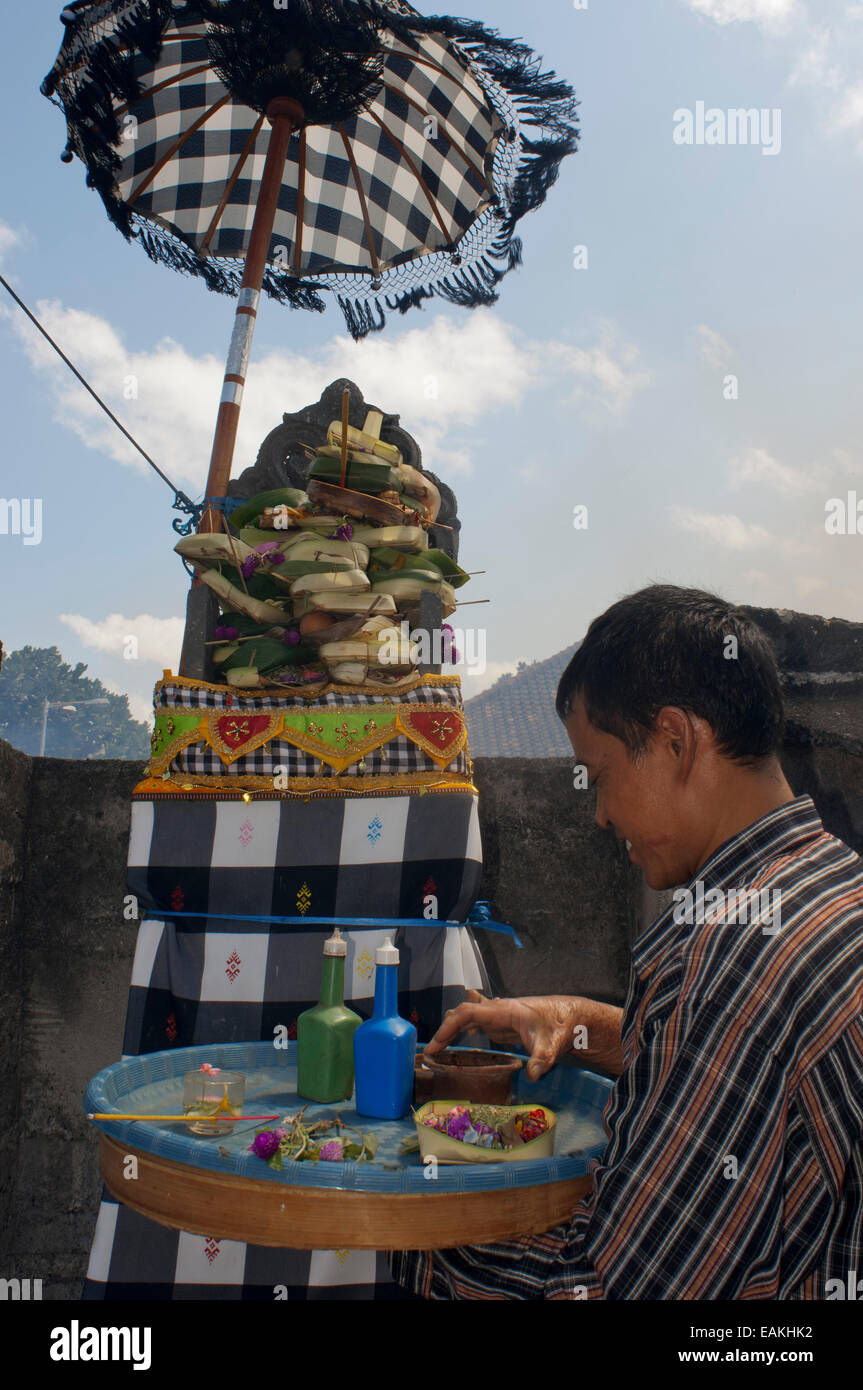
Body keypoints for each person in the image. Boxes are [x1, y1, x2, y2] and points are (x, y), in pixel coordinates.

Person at [390, 584, 863, 1299]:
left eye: (601, 775)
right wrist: (579, 1022)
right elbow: (758, 1064)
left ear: (676, 741)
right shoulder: (832, 882)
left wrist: (398, 1238)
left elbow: (611, 1288)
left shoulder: (725, 958)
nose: (602, 815)